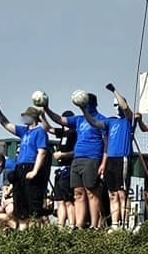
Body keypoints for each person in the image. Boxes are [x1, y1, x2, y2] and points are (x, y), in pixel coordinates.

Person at [43, 94, 107, 229]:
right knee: (78, 192)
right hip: (77, 159)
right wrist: (46, 108)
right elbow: (60, 119)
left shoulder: (101, 120)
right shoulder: (79, 120)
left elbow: (106, 142)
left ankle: (95, 225)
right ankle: (79, 224)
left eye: (87, 103)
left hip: (92, 157)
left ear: (93, 104)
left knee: (91, 192)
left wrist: (103, 162)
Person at [0, 103, 50, 227]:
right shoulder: (23, 131)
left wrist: (35, 171)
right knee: (21, 206)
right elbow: (6, 124)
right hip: (20, 168)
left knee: (33, 206)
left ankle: (36, 234)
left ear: (33, 117)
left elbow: (42, 152)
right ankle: (23, 234)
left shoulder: (40, 132)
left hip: (31, 166)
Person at [91, 84, 136, 231]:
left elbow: (125, 107)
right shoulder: (110, 121)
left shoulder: (129, 120)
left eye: (118, 104)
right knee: (112, 194)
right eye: (114, 105)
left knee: (122, 193)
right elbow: (94, 122)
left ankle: (125, 223)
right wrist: (83, 110)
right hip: (110, 159)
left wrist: (114, 91)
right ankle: (115, 223)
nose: (117, 107)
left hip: (122, 158)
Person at [47, 110, 77, 228]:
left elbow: (76, 152)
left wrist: (62, 155)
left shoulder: (74, 133)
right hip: (60, 170)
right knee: (59, 200)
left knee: (68, 200)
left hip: (68, 168)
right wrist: (43, 115)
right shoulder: (62, 133)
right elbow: (49, 129)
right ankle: (60, 225)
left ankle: (72, 224)